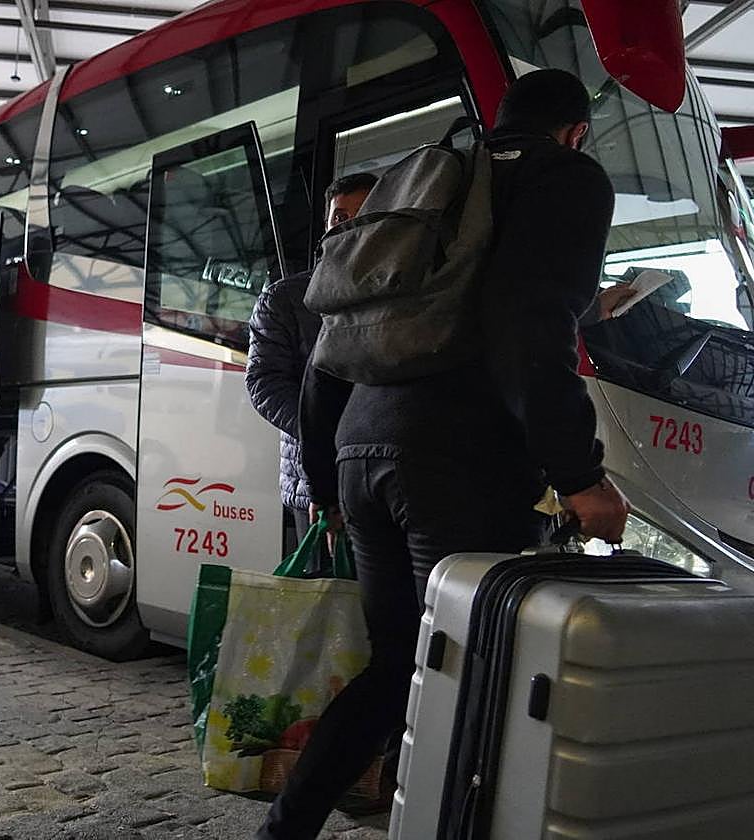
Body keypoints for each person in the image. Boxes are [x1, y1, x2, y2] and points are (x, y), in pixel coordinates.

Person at [256, 69, 631, 840]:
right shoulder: (567, 178)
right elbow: (529, 323)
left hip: (361, 443)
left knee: (400, 667)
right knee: (475, 676)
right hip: (456, 458)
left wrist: (329, 479)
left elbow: (339, 334)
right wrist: (581, 476)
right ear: (575, 131)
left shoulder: (438, 177)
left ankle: (283, 831)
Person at [246, 174, 378, 556]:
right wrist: (324, 430)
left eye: (364, 212)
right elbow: (263, 383)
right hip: (316, 481)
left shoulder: (404, 289)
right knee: (326, 595)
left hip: (383, 478)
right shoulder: (286, 298)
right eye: (339, 217)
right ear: (325, 227)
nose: (350, 224)